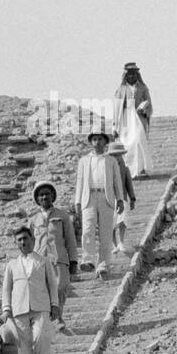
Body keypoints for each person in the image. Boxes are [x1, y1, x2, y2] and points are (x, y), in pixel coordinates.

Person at [1, 224, 59, 354]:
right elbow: (6, 288)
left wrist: (54, 304)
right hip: (19, 308)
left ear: (33, 240)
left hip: (41, 305)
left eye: (26, 238)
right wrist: (6, 308)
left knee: (42, 336)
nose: (23, 242)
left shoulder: (43, 261)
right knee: (23, 345)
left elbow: (52, 285)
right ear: (16, 243)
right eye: (19, 240)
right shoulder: (11, 265)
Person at [72, 131, 125, 279]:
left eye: (100, 139)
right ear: (91, 142)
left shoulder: (111, 160)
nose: (97, 142)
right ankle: (88, 260)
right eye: (94, 139)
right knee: (88, 229)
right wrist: (77, 201)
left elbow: (117, 181)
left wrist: (120, 199)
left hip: (106, 197)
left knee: (106, 232)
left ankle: (103, 265)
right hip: (88, 197)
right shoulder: (84, 161)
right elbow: (80, 182)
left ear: (105, 141)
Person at [29, 180, 78, 332]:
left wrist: (74, 260)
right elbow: (29, 242)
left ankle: (58, 315)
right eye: (41, 195)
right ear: (37, 199)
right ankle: (52, 320)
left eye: (47, 194)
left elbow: (70, 239)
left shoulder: (62, 216)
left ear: (52, 196)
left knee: (61, 287)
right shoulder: (33, 219)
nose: (44, 198)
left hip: (59, 258)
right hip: (39, 260)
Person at [113, 62, 153, 178]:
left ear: (137, 75)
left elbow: (149, 104)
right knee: (126, 144)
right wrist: (115, 126)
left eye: (134, 74)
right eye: (129, 74)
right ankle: (127, 171)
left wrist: (144, 109)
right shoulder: (121, 89)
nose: (131, 77)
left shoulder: (143, 88)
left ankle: (141, 169)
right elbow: (117, 108)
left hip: (138, 118)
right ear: (126, 75)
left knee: (138, 141)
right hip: (125, 118)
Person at [107, 139, 136, 253]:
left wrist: (132, 198)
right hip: (110, 200)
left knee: (122, 221)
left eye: (118, 155)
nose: (116, 158)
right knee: (111, 224)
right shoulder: (106, 170)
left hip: (122, 199)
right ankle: (115, 245)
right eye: (114, 156)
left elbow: (129, 184)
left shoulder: (125, 169)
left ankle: (122, 242)